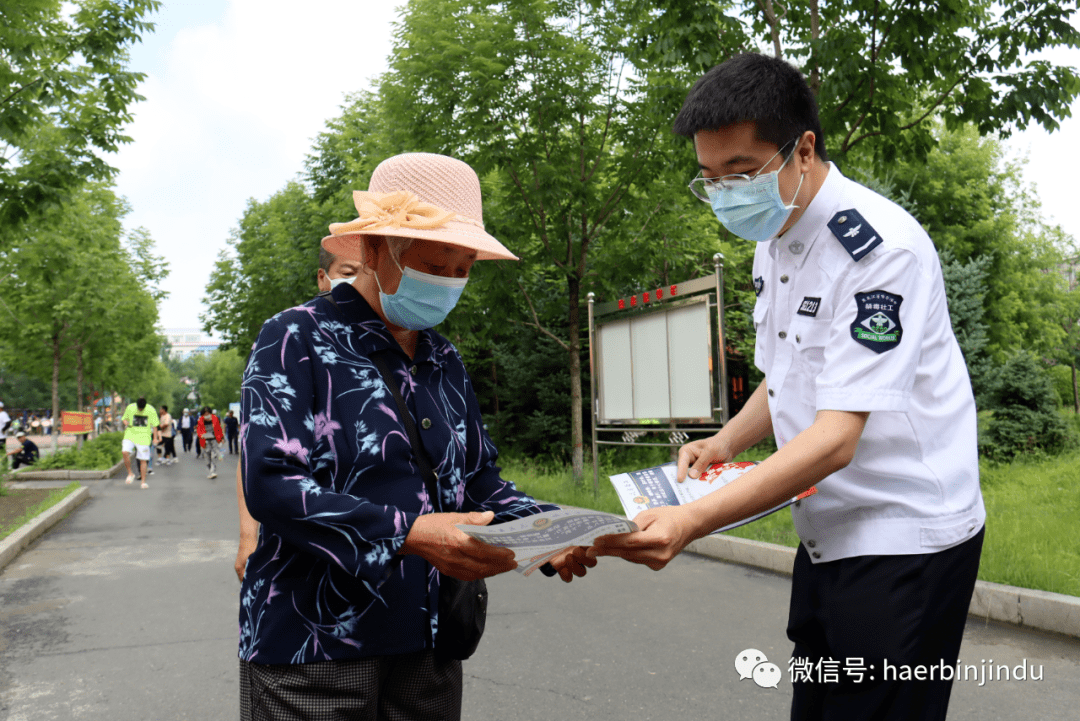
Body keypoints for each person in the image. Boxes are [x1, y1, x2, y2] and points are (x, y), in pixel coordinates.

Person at [590, 54, 985, 721]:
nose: (725, 194)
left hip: (904, 538)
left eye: (741, 172)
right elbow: (790, 376)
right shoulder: (774, 235)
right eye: (709, 178)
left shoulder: (879, 249)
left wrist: (690, 519)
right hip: (829, 534)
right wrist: (724, 440)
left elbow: (834, 439)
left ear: (802, 149)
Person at [237, 153, 594, 720]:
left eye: (463, 269)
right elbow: (273, 483)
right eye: (434, 264)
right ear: (375, 250)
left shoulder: (443, 357)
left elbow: (477, 482)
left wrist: (549, 531)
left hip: (430, 641)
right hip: (314, 647)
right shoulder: (295, 337)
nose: (448, 284)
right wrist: (410, 533)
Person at [234, 248, 363, 582]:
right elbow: (258, 455)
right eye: (347, 270)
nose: (357, 281)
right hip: (308, 559)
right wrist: (249, 536)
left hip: (397, 565)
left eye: (366, 271)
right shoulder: (290, 340)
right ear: (323, 278)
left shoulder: (402, 346)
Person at [121, 397, 159, 489]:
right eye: (139, 408)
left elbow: (155, 425)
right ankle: (130, 473)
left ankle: (143, 482)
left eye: (142, 409)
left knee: (143, 459)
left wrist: (155, 438)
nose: (140, 410)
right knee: (125, 452)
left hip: (144, 437)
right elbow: (124, 418)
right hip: (130, 434)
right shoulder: (130, 407)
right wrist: (126, 424)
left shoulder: (151, 410)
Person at [196, 406, 223, 479]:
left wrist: (221, 437)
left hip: (214, 439)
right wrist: (201, 435)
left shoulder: (215, 418)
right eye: (205, 413)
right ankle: (209, 470)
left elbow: (219, 428)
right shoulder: (200, 420)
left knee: (213, 455)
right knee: (207, 457)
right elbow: (199, 430)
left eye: (208, 413)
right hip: (205, 440)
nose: (206, 414)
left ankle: (213, 471)